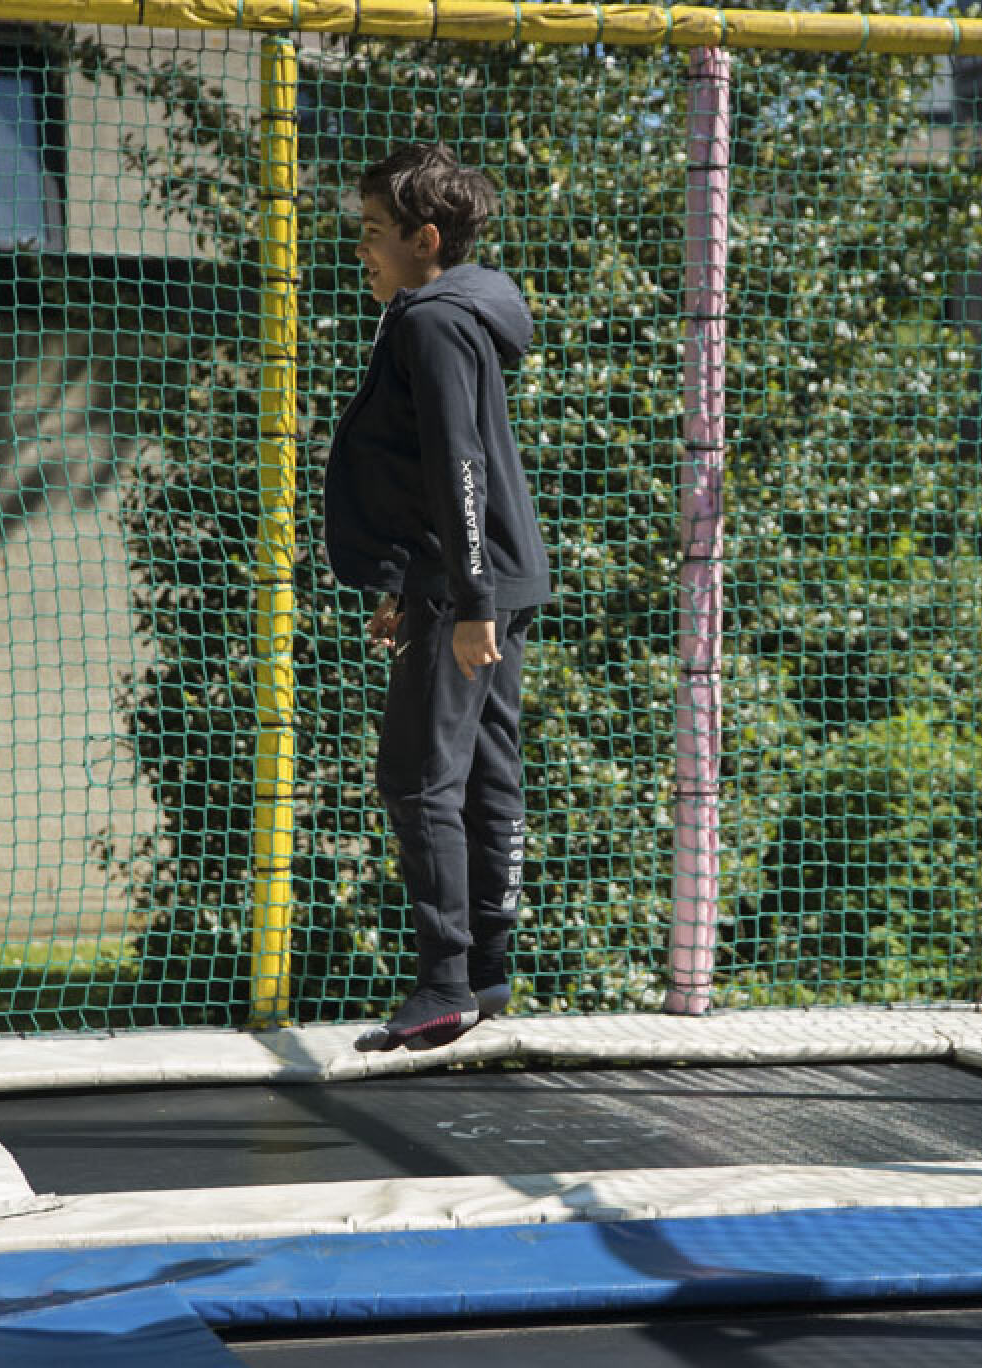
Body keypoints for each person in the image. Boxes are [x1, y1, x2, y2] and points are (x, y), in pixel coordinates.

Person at [324, 144, 552, 1052]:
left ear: (424, 240)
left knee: (418, 778)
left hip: (470, 584)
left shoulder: (430, 322)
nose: (360, 250)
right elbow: (434, 473)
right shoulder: (463, 313)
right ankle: (486, 970)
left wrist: (467, 600)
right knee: (489, 773)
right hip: (477, 575)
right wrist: (410, 583)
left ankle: (445, 983)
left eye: (373, 232)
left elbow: (460, 466)